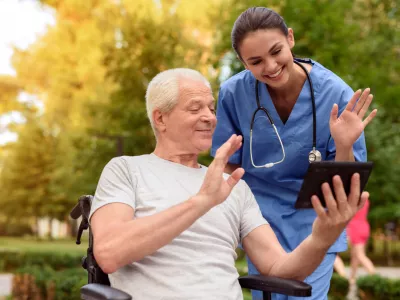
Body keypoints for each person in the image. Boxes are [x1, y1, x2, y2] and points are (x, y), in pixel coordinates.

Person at [89, 68, 369, 300]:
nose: (210, 117)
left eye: (211, 108)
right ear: (160, 118)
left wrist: (322, 238)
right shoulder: (126, 170)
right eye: (195, 108)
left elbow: (280, 267)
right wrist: (201, 202)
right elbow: (109, 254)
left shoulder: (233, 184)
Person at [211, 7, 377, 300]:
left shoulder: (336, 93)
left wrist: (344, 144)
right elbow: (227, 165)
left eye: (276, 51)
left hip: (316, 216)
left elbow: (347, 183)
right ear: (242, 62)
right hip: (258, 217)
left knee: (305, 295)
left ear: (290, 38)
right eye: (256, 61)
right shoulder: (233, 93)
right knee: (269, 294)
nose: (271, 66)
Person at [347, 198, 376, 284]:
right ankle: (352, 278)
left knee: (360, 255)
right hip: (364, 226)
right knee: (355, 255)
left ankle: (375, 276)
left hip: (355, 227)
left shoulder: (353, 199)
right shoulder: (365, 199)